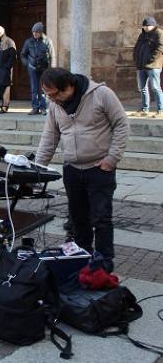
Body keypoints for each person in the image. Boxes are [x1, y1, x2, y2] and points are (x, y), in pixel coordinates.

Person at [35, 68, 128, 273]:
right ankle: (82, 256)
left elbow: (121, 124)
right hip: (72, 169)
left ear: (69, 87)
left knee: (101, 218)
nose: (52, 99)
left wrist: (111, 159)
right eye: (47, 95)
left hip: (99, 168)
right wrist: (36, 171)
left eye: (55, 94)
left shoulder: (101, 94)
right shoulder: (54, 105)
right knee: (78, 218)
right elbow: (49, 139)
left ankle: (104, 262)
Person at [21, 22, 55, 115]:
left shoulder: (47, 41)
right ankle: (35, 108)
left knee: (44, 88)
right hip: (33, 68)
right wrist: (27, 64)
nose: (34, 34)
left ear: (41, 32)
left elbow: (52, 56)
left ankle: (43, 108)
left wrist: (51, 69)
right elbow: (23, 55)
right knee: (34, 88)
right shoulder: (28, 42)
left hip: (44, 68)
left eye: (36, 32)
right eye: (33, 32)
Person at [132, 16, 163, 117]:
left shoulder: (159, 33)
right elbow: (137, 47)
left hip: (153, 66)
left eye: (147, 26)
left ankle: (160, 110)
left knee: (155, 88)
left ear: (153, 25)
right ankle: (144, 109)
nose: (145, 27)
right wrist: (136, 58)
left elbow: (160, 48)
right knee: (142, 88)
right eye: (144, 26)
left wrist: (151, 59)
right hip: (141, 66)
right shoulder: (142, 35)